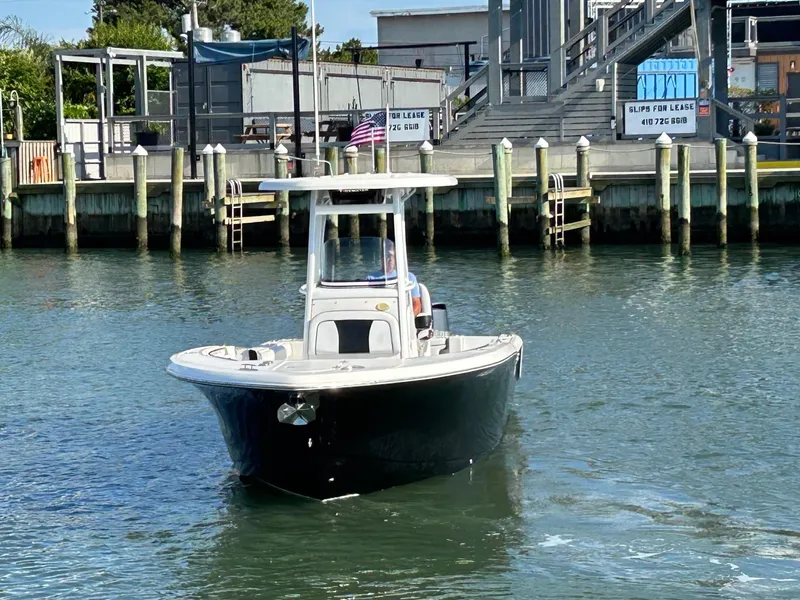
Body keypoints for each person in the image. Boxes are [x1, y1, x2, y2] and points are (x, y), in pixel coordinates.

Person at [366, 239, 422, 316]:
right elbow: (368, 304)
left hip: (402, 316)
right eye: (388, 256)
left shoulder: (409, 277)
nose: (391, 259)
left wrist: (408, 318)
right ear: (382, 258)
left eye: (394, 256)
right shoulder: (371, 279)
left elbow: (417, 305)